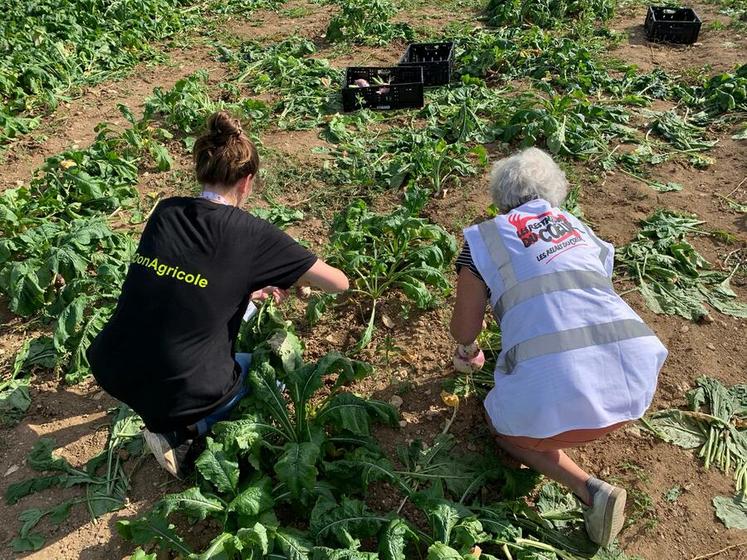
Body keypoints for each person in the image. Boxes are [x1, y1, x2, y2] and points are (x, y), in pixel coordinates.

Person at [87, 111, 348, 478]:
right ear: (247, 183)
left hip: (110, 365)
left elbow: (192, 281)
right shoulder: (253, 233)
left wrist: (245, 291)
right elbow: (338, 282)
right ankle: (185, 431)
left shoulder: (166, 211)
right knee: (266, 370)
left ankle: (169, 412)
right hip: (180, 387)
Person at [450, 147, 667, 547]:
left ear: (497, 198)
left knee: (503, 430)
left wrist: (468, 351)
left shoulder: (482, 241)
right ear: (554, 195)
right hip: (635, 383)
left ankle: (590, 490)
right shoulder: (579, 228)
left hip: (563, 408)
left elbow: (464, 329)